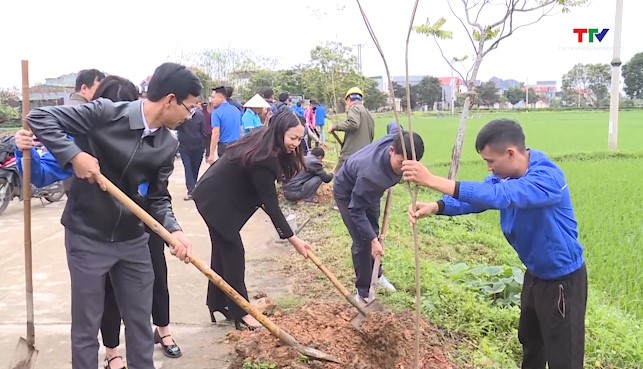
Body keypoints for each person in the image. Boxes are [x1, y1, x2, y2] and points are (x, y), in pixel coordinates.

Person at [27, 62, 200, 369]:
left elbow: (158, 197)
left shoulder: (167, 143)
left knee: (139, 323)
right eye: (190, 107)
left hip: (133, 239)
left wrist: (174, 228)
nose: (191, 116)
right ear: (170, 100)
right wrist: (74, 155)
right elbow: (39, 117)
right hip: (87, 235)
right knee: (86, 326)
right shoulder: (105, 113)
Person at [403, 118, 587, 369]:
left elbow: (500, 197)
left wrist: (432, 180)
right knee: (532, 342)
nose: (489, 168)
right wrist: (437, 206)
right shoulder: (506, 176)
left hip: (562, 281)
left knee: (563, 357)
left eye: (491, 161)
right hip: (535, 275)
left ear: (511, 153)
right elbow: (481, 197)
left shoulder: (547, 178)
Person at [191, 110, 313, 330]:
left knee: (222, 252)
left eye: (299, 138)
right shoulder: (265, 158)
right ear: (279, 131)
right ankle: (241, 312)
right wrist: (293, 239)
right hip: (216, 201)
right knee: (234, 254)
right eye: (292, 138)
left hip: (215, 194)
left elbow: (265, 198)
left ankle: (217, 302)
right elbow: (271, 204)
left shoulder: (266, 140)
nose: (296, 143)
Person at [333, 122, 424, 302]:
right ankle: (363, 292)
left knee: (372, 230)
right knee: (363, 240)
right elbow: (356, 209)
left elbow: (393, 124)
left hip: (371, 193)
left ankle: (377, 274)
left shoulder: (397, 139)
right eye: (400, 163)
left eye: (409, 164)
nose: (404, 168)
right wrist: (373, 241)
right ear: (391, 150)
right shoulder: (372, 174)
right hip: (347, 191)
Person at [327, 87, 375, 174]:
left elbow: (353, 124)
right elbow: (372, 134)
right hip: (365, 154)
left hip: (351, 154)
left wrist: (334, 126)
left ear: (349, 99)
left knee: (338, 175)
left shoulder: (354, 108)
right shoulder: (368, 113)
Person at [177, 107, 208, 200]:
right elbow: (175, 126)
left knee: (195, 168)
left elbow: (203, 132)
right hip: (184, 147)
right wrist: (183, 119)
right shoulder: (181, 114)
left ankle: (194, 188)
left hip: (198, 147)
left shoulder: (199, 115)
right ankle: (190, 190)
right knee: (188, 168)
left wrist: (203, 146)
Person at [207, 85, 242, 163]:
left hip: (224, 147)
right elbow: (240, 130)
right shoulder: (236, 110)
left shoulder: (216, 113)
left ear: (221, 98)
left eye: (213, 97)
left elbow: (215, 133)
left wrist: (211, 154)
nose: (212, 100)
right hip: (236, 145)